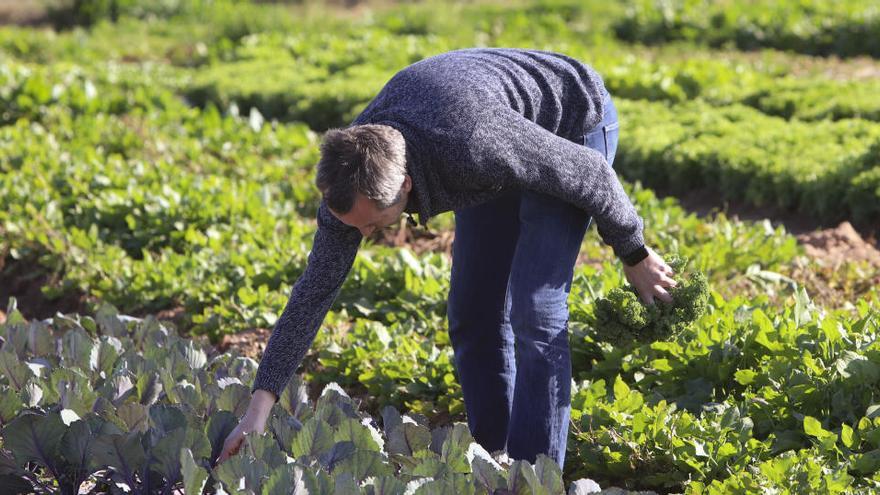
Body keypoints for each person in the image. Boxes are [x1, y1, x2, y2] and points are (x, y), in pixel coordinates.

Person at [217, 47, 677, 469]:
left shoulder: (471, 145)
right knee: (473, 312)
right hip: (499, 130)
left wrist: (633, 252)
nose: (363, 235)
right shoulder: (349, 180)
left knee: (535, 308)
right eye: (356, 224)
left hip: (568, 122)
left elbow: (589, 172)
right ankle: (494, 456)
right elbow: (313, 294)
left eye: (373, 225)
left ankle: (534, 474)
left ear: (405, 187)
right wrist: (259, 408)